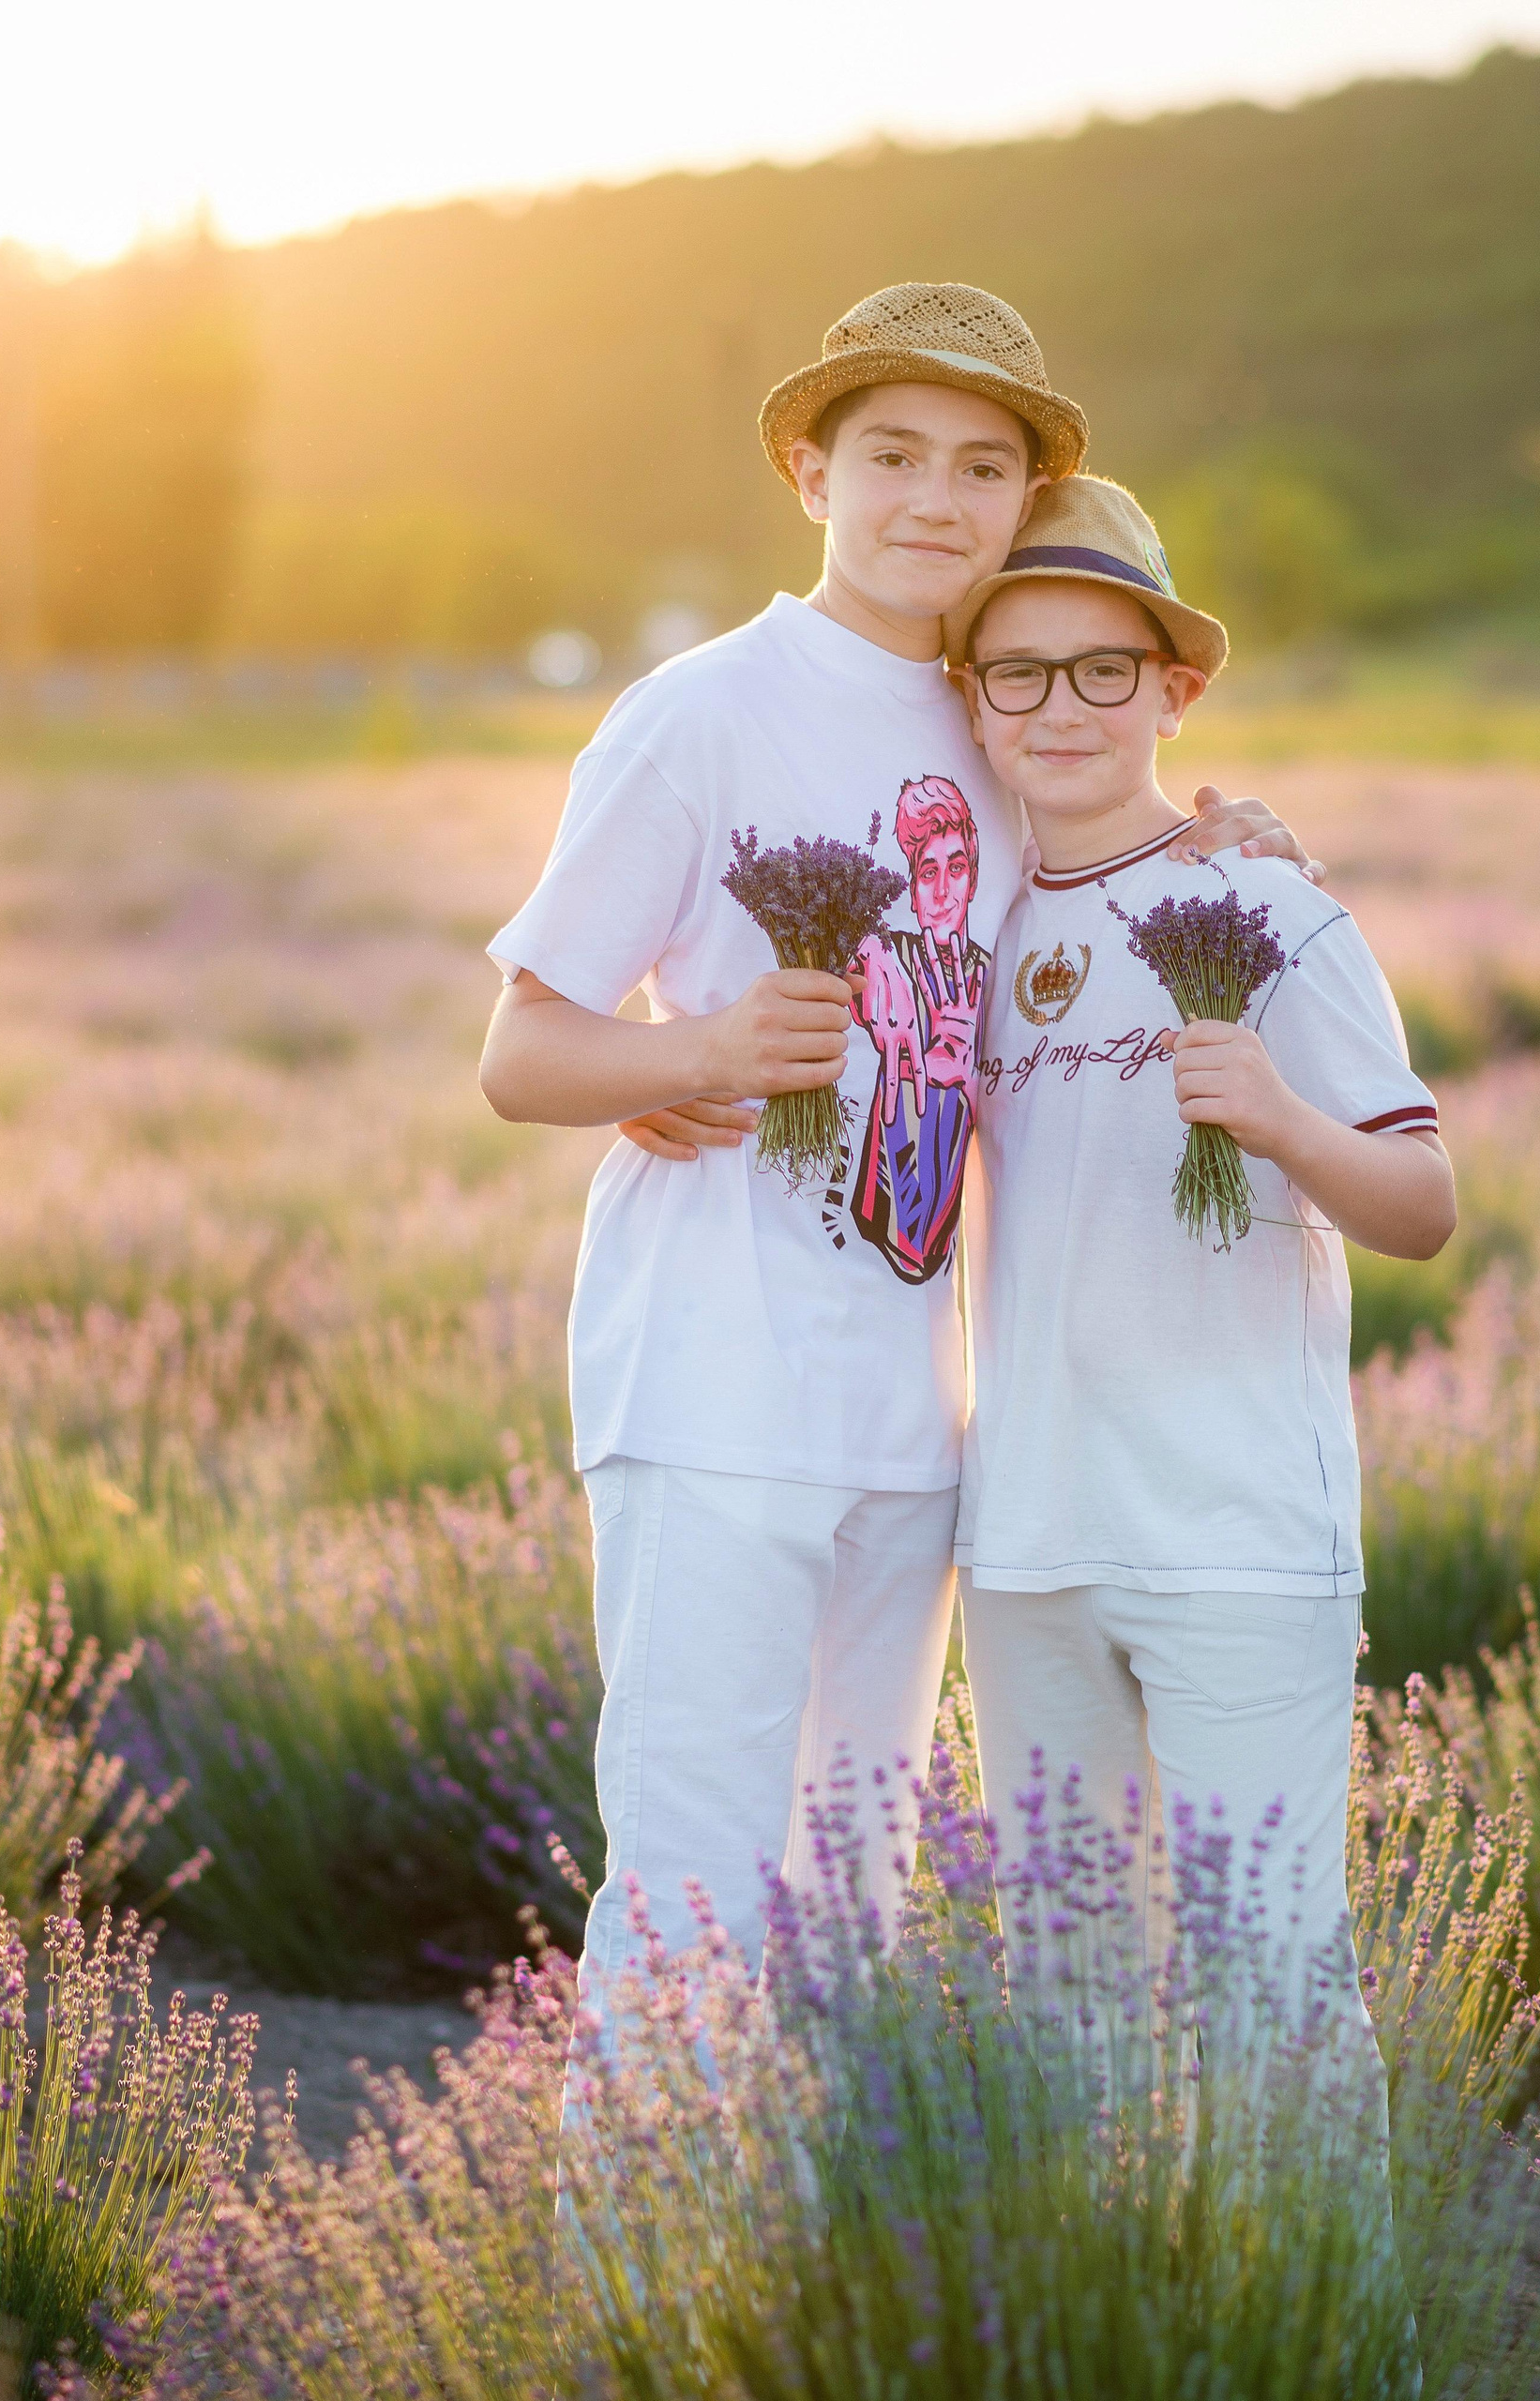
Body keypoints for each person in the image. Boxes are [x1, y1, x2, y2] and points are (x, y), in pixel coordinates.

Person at [477, 284, 1317, 2025]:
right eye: (894, 456)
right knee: (697, 1882)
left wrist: (1231, 839)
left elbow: (1107, 875)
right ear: (812, 470)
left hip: (915, 1416)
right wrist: (690, 1050)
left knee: (842, 1906)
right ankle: (638, 2296)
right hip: (715, 1387)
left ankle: (784, 2298)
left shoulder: (1002, 727)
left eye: (983, 467)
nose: (936, 500)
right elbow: (522, 1049)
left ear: (1027, 502)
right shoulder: (700, 712)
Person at [944, 471, 1455, 2108]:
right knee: (1065, 2017)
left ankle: (1326, 2361)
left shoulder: (1271, 908)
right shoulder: (967, 929)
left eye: (1105, 666)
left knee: (1272, 2011)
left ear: (1177, 688)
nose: (1060, 705)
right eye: (1015, 671)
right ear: (974, 700)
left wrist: (1281, 1118)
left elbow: (1423, 1207)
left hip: (1232, 1544)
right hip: (1022, 1539)